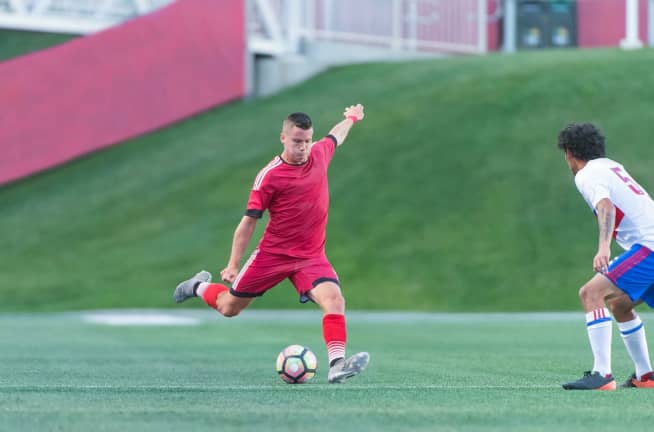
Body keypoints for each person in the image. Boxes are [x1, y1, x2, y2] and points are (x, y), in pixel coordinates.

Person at [173, 104, 369, 384]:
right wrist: (232, 264)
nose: (303, 147)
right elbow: (248, 222)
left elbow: (335, 136)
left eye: (307, 141)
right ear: (283, 138)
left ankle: (337, 365)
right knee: (229, 308)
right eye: (297, 141)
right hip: (273, 255)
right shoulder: (270, 176)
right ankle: (197, 286)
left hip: (311, 256)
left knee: (335, 300)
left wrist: (350, 118)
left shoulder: (319, 153)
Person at [559, 122, 654, 390]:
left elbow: (606, 207)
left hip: (649, 247)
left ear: (569, 153)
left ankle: (602, 374)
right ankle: (646, 376)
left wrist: (603, 248)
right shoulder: (611, 166)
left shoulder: (587, 174)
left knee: (591, 293)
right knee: (621, 305)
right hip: (648, 246)